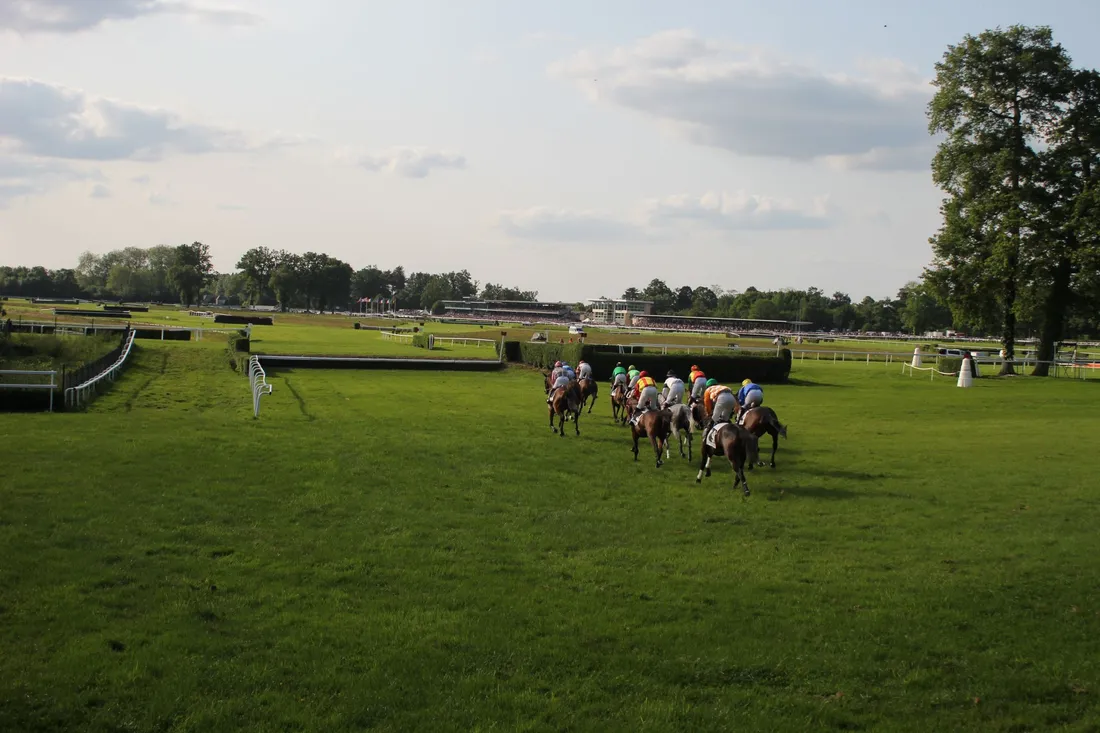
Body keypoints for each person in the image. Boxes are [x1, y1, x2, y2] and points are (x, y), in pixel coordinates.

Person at [701, 379, 736, 443]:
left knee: (713, 419)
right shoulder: (722, 386)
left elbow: (707, 403)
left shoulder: (708, 390)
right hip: (732, 399)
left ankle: (706, 437)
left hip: (722, 398)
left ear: (708, 386)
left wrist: (709, 413)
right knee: (725, 419)